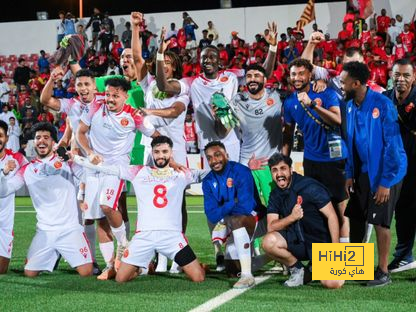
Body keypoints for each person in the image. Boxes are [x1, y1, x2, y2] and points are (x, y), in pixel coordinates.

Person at [73, 135, 206, 283]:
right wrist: (78, 160)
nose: (161, 156)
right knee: (121, 279)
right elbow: (107, 168)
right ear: (152, 153)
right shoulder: (138, 171)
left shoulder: (182, 174)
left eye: (164, 151)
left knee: (198, 277)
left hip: (172, 236)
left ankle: (195, 265)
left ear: (171, 153)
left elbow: (206, 174)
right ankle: (143, 268)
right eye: (157, 152)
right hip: (144, 237)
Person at [76, 77, 159, 271]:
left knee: (107, 205)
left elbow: (156, 136)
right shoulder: (95, 106)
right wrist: (89, 152)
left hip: (116, 167)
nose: (110, 99)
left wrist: (166, 157)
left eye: (115, 96)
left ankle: (124, 244)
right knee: (99, 218)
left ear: (125, 96)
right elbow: (80, 133)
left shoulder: (134, 115)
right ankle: (110, 265)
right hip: (93, 166)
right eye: (108, 94)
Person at [40, 67, 114, 278]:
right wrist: (52, 79)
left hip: (102, 164)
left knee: (103, 215)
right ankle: (89, 260)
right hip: (79, 166)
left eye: (86, 84)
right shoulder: (72, 104)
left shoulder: (103, 100)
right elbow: (46, 100)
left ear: (94, 85)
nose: (83, 88)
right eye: (79, 84)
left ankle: (112, 261)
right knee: (82, 216)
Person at [340, 62, 407, 286]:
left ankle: (383, 271)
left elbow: (393, 148)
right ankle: (356, 266)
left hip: (387, 172)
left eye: (343, 82)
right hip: (363, 172)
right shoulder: (349, 106)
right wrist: (350, 172)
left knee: (381, 222)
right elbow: (350, 142)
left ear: (356, 83)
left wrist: (385, 183)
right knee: (356, 216)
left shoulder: (383, 105)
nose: (341, 86)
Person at [0, 122, 93, 277]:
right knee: (29, 273)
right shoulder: (27, 170)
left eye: (46, 137)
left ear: (53, 142)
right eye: (38, 138)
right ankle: (54, 253)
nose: (41, 141)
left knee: (86, 272)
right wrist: (3, 174)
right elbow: (4, 191)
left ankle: (59, 252)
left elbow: (86, 177)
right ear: (34, 142)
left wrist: (75, 159)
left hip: (69, 229)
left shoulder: (66, 162)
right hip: (45, 231)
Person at [282, 58, 349, 244]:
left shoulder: (326, 93)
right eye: (293, 74)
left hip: (335, 160)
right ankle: (324, 256)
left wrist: (312, 104)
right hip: (311, 161)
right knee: (317, 208)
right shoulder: (288, 102)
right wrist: (284, 160)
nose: (297, 77)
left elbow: (337, 119)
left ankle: (344, 260)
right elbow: (287, 134)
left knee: (340, 208)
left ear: (310, 75)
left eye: (301, 73)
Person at [262, 153, 343, 289]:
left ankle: (315, 268)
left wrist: (335, 250)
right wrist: (292, 217)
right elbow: (271, 226)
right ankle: (299, 270)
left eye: (283, 168)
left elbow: (332, 216)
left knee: (332, 283)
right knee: (268, 242)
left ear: (291, 169)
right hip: (298, 241)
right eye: (274, 170)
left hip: (320, 242)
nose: (279, 173)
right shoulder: (275, 194)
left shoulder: (309, 187)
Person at [202, 141, 269, 289]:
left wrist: (224, 211)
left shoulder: (241, 171)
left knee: (235, 219)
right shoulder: (207, 181)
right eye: (209, 157)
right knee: (232, 270)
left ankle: (247, 276)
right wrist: (231, 203)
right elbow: (211, 214)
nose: (214, 161)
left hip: (257, 219)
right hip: (232, 223)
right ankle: (272, 256)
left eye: (217, 155)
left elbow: (246, 206)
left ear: (226, 154)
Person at [230, 61, 281, 205]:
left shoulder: (276, 96)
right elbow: (224, 129)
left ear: (265, 80)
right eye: (249, 76)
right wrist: (219, 115)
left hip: (270, 165)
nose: (252, 79)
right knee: (246, 210)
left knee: (274, 208)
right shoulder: (237, 100)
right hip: (247, 164)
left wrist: (320, 80)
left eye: (257, 75)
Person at [382, 58, 416, 273]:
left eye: (405, 75)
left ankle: (404, 254)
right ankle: (404, 255)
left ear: (413, 77)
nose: (401, 79)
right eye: (397, 75)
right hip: (394, 167)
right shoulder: (385, 99)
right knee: (400, 211)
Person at [0, 120, 28, 274]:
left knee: (1, 270)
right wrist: (3, 173)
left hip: (4, 225)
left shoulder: (18, 159)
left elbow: (3, 192)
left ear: (7, 137)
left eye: (0, 135)